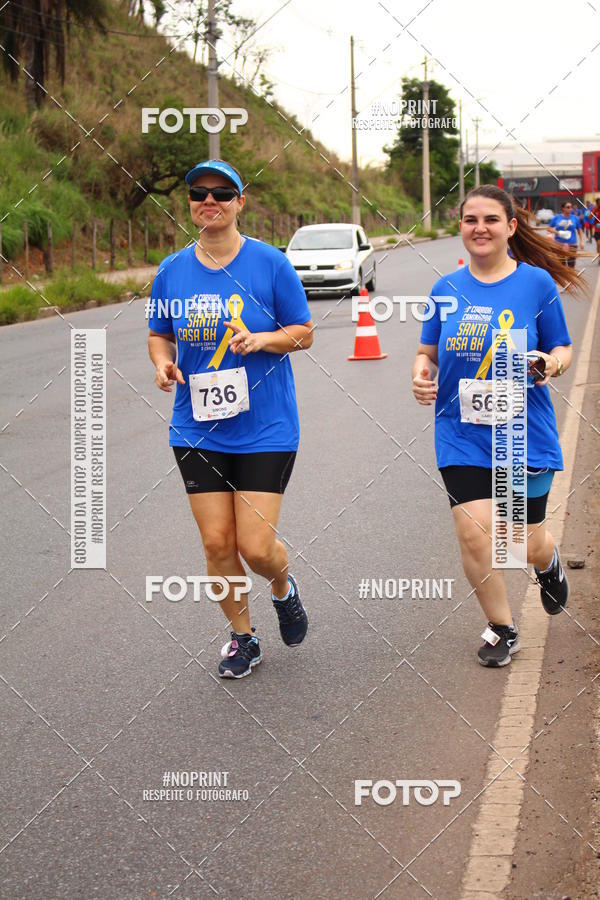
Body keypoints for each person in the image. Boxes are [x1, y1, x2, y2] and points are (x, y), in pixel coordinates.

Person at [148, 159, 313, 678]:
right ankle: (244, 638)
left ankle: (283, 588)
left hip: (266, 427)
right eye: (199, 192)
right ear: (190, 203)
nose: (209, 201)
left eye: (222, 192)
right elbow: (159, 333)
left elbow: (304, 331)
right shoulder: (172, 270)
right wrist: (162, 363)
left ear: (241, 201)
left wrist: (262, 339)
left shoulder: (270, 264)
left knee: (256, 546)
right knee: (217, 543)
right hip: (197, 426)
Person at [412, 184, 586, 667]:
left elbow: (563, 348)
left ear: (511, 227)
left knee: (518, 541)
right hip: (461, 432)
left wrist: (550, 366)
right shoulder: (445, 289)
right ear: (461, 227)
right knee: (474, 531)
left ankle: (547, 561)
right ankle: (502, 627)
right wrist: (420, 375)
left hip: (522, 435)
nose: (479, 228)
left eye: (491, 219)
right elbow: (426, 352)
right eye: (470, 220)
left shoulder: (535, 284)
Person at [548, 200, 583, 267]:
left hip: (572, 244)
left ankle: (570, 277)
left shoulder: (574, 218)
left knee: (571, 265)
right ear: (563, 208)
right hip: (559, 245)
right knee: (561, 265)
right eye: (568, 207)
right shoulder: (557, 217)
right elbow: (549, 228)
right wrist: (557, 232)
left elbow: (579, 229)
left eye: (571, 207)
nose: (570, 209)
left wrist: (581, 241)